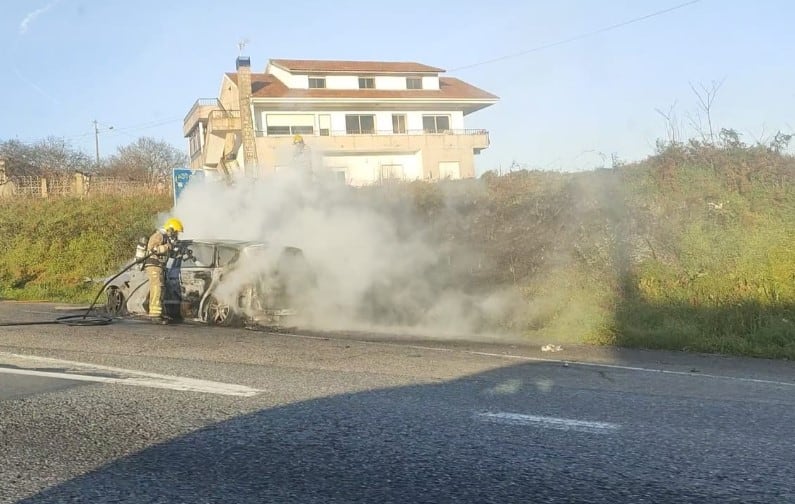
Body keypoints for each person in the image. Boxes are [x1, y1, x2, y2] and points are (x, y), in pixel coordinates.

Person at [144, 217, 183, 322]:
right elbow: (154, 249)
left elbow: (167, 254)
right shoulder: (159, 236)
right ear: (170, 230)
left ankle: (159, 313)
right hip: (154, 266)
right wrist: (168, 246)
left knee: (161, 289)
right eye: (176, 232)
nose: (176, 235)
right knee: (157, 288)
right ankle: (155, 315)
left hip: (160, 266)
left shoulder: (165, 238)